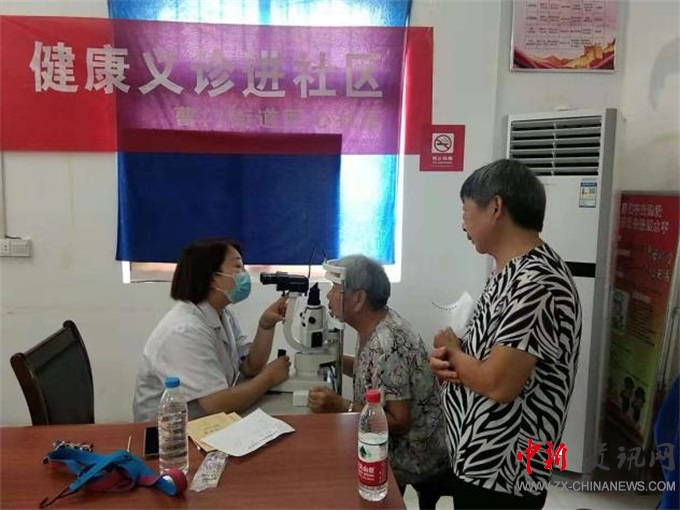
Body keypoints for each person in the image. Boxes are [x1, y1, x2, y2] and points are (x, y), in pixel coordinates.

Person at [430, 159, 582, 510]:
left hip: (504, 472)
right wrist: (450, 357)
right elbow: (489, 354)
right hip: (480, 460)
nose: (463, 223)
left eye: (466, 210)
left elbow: (499, 383)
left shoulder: (537, 282)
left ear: (495, 207)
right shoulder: (509, 271)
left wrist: (452, 352)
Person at [307, 254, 450, 509]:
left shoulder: (387, 341)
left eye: (335, 289)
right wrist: (331, 359)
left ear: (358, 298)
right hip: (398, 440)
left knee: (331, 469)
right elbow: (371, 370)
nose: (329, 296)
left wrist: (341, 405)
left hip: (415, 453)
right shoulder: (374, 325)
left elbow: (399, 421)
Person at [133, 238, 291, 422]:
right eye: (238, 267)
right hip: (169, 432)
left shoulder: (222, 314)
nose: (244, 274)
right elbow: (217, 404)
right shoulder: (184, 331)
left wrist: (266, 325)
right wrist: (269, 378)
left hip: (204, 422)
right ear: (212, 277)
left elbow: (250, 366)